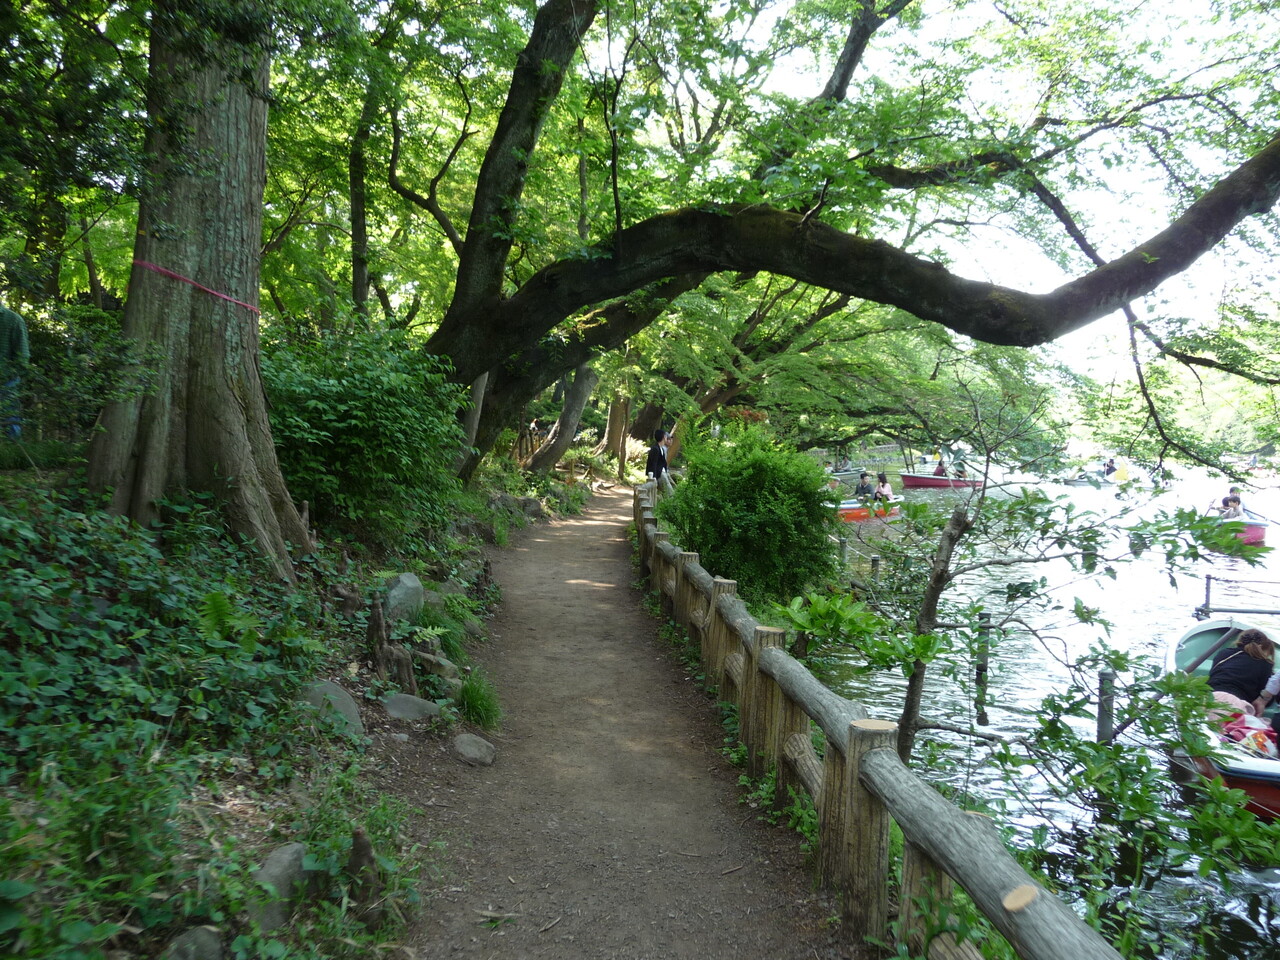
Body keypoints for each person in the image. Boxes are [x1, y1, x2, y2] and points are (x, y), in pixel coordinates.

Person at [1208, 629, 1275, 716]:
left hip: (1209, 697)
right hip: (1235, 705)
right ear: (1263, 648)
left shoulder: (1223, 653)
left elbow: (1213, 675)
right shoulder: (1265, 664)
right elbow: (1264, 695)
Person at [0, 302, 28, 440]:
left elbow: (22, 357)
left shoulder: (13, 320)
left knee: (10, 421)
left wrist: (10, 377)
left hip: (7, 381)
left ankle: (13, 449)